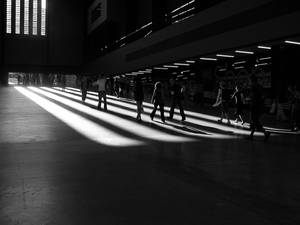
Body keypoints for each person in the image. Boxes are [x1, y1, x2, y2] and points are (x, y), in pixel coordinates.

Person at [248, 76, 270, 141]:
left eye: (249, 80)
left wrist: (251, 100)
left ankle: (266, 133)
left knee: (254, 121)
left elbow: (252, 96)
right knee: (254, 121)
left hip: (255, 106)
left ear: (251, 80)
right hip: (259, 106)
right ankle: (251, 136)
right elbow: (263, 96)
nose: (248, 81)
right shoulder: (260, 86)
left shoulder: (253, 86)